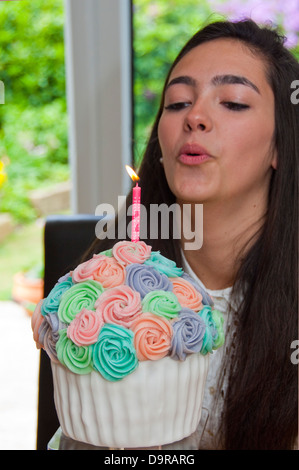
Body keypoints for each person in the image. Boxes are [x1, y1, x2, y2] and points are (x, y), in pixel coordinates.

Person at [85, 19, 298, 450]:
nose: (195, 118)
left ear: (280, 145)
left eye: (234, 102)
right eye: (178, 102)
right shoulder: (109, 286)